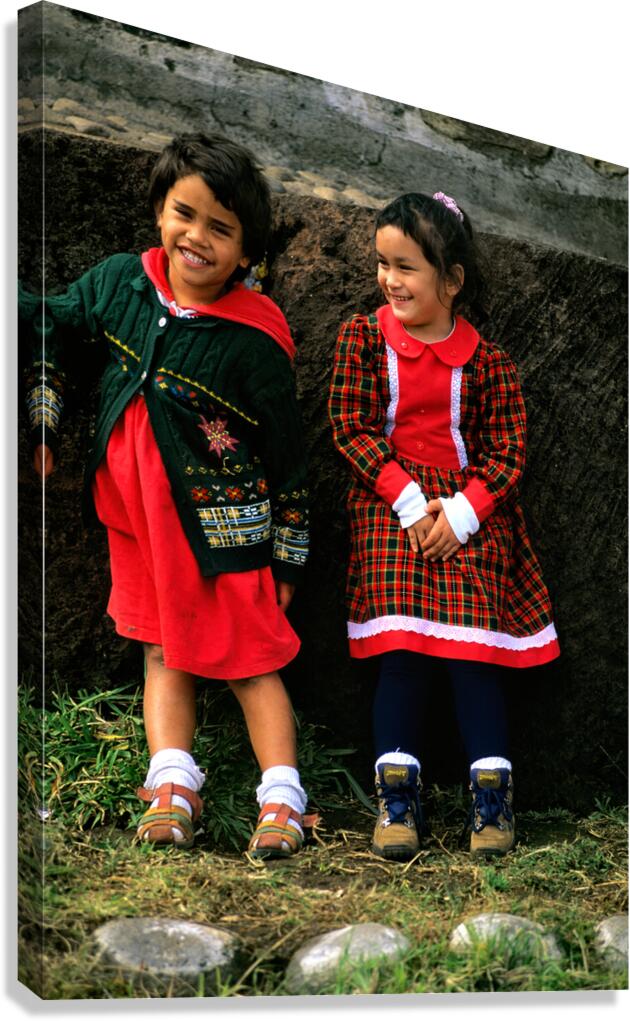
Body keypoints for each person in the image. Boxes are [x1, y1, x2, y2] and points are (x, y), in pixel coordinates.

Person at [21, 133, 310, 859]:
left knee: (250, 661)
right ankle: (173, 784)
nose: (197, 237)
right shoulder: (123, 283)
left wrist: (288, 552)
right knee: (160, 651)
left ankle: (283, 795)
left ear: (247, 252)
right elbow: (55, 321)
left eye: (222, 228)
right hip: (139, 525)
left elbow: (286, 451)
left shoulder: (254, 338)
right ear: (159, 210)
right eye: (185, 214)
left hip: (222, 531)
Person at [328, 191, 560, 861]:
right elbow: (351, 427)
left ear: (452, 279)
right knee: (400, 653)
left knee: (471, 656)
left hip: (470, 514)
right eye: (383, 263)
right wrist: (407, 501)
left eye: (406, 267)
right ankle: (397, 794)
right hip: (391, 510)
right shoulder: (364, 339)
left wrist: (460, 513)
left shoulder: (487, 363)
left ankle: (491, 796)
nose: (389, 279)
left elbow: (509, 449)